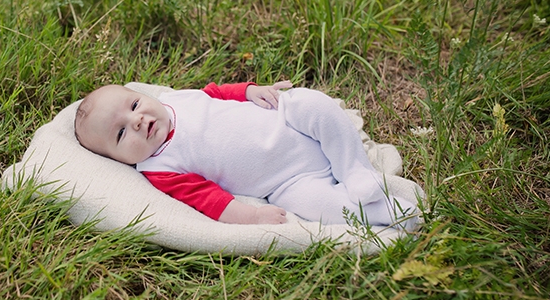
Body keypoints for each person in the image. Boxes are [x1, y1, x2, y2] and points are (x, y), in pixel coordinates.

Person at [74, 80, 418, 227]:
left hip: (291, 124)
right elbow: (207, 199)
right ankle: (388, 212)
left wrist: (251, 90)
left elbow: (217, 93)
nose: (137, 121)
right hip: (287, 181)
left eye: (134, 105)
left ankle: (355, 170)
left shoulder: (174, 99)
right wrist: (251, 217)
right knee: (319, 208)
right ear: (119, 160)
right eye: (120, 133)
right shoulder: (159, 167)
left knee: (312, 103)